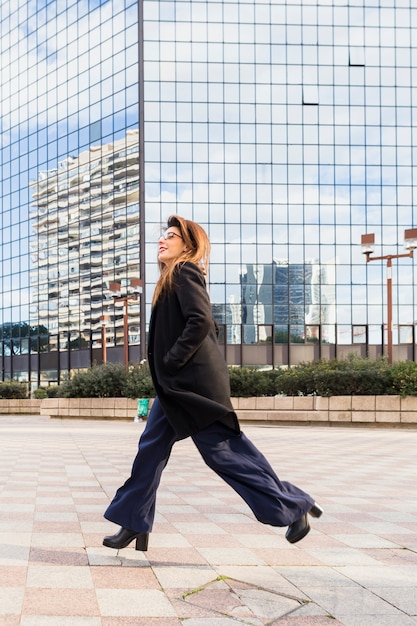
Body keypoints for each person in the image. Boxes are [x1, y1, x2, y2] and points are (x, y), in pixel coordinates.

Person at [103, 215, 323, 551]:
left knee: (224, 454)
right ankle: (134, 520)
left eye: (171, 236)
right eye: (163, 235)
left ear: (187, 246)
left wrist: (172, 359)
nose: (162, 240)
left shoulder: (184, 271)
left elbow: (201, 320)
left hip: (193, 389)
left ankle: (293, 506)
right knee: (150, 451)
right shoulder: (169, 278)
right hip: (175, 389)